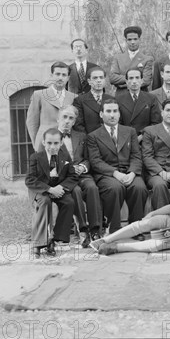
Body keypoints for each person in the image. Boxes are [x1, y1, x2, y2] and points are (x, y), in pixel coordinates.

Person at [86, 98, 148, 233]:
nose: (112, 115)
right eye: (108, 111)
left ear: (119, 114)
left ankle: (136, 228)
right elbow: (96, 161)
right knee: (115, 188)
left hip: (129, 172)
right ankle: (114, 228)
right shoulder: (93, 136)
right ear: (101, 114)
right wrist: (115, 173)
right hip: (107, 174)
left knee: (139, 187)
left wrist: (132, 173)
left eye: (115, 111)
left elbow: (136, 156)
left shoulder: (130, 131)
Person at [25, 128, 77, 258]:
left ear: (61, 143)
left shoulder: (65, 157)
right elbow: (30, 179)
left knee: (69, 202)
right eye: (49, 143)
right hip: (41, 189)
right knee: (45, 202)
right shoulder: (36, 157)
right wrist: (49, 189)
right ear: (43, 142)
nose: (52, 147)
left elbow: (72, 176)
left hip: (58, 188)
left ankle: (55, 239)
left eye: (55, 143)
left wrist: (61, 187)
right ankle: (38, 243)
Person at [56, 105, 103, 247]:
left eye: (71, 118)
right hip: (63, 177)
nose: (67, 121)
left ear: (75, 121)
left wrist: (83, 167)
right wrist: (69, 169)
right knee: (75, 191)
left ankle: (95, 230)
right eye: (64, 117)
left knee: (92, 188)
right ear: (58, 118)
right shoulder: (50, 136)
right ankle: (83, 230)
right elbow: (46, 161)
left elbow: (89, 159)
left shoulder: (81, 136)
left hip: (82, 175)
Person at [26, 61, 77, 150]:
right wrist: (37, 143)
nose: (60, 78)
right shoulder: (39, 95)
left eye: (64, 75)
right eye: (57, 74)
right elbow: (32, 123)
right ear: (51, 76)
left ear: (68, 78)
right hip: (45, 143)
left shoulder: (74, 97)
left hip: (67, 144)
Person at [116, 67, 161, 141]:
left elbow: (156, 122)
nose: (134, 81)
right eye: (131, 78)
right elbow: (118, 123)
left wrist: (141, 136)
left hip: (146, 140)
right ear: (126, 81)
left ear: (142, 80)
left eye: (137, 78)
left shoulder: (151, 98)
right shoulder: (119, 99)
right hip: (125, 140)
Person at [109, 26, 153, 94]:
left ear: (139, 39)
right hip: (122, 95)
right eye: (129, 39)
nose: (132, 42)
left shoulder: (147, 59)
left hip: (141, 95)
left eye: (135, 39)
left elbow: (146, 81)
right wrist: (135, 79)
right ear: (126, 40)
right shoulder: (117, 58)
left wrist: (121, 84)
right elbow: (112, 78)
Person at [73, 67, 115, 135]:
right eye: (95, 78)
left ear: (104, 80)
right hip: (89, 141)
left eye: (101, 77)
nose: (98, 80)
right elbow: (78, 126)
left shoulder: (111, 99)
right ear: (89, 81)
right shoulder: (80, 100)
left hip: (108, 140)